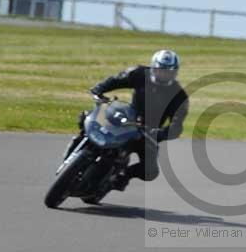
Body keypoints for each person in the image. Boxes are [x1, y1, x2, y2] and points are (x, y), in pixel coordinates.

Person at [68, 49, 188, 189]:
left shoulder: (179, 95)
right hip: (127, 117)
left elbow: (177, 125)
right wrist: (98, 90)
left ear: (175, 72)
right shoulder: (139, 73)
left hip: (147, 131)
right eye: (161, 70)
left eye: (169, 71)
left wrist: (160, 133)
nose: (164, 74)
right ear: (153, 67)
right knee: (87, 118)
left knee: (150, 171)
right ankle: (74, 151)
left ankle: (123, 175)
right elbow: (116, 80)